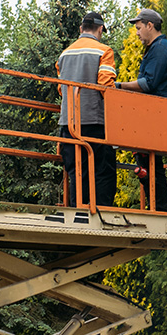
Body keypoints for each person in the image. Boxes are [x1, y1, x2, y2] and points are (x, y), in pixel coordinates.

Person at [115, 8, 167, 212]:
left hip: (157, 112)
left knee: (150, 162)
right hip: (153, 112)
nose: (137, 32)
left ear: (150, 26)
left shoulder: (160, 49)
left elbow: (149, 83)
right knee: (147, 162)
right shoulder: (156, 48)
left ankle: (160, 206)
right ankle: (157, 204)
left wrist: (119, 86)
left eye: (139, 28)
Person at [56, 12, 117, 207]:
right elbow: (106, 85)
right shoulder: (104, 51)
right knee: (102, 170)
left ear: (81, 29)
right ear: (100, 30)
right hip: (95, 121)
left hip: (69, 123)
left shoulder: (64, 54)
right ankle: (102, 214)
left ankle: (78, 211)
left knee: (77, 172)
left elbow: (60, 89)